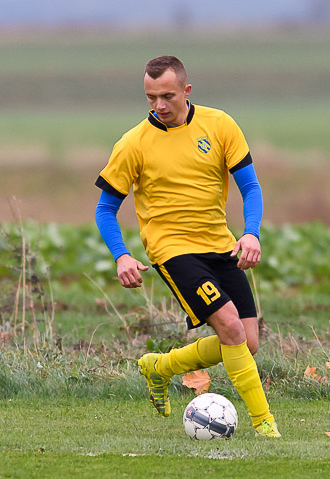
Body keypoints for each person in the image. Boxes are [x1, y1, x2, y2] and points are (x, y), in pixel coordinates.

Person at [94, 55, 280, 437]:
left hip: (220, 244)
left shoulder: (220, 124)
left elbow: (250, 187)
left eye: (167, 96)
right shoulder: (133, 144)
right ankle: (265, 425)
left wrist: (251, 233)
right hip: (172, 250)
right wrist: (122, 255)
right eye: (151, 98)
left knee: (248, 342)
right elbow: (105, 209)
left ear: (186, 91)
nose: (159, 105)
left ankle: (159, 367)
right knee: (230, 327)